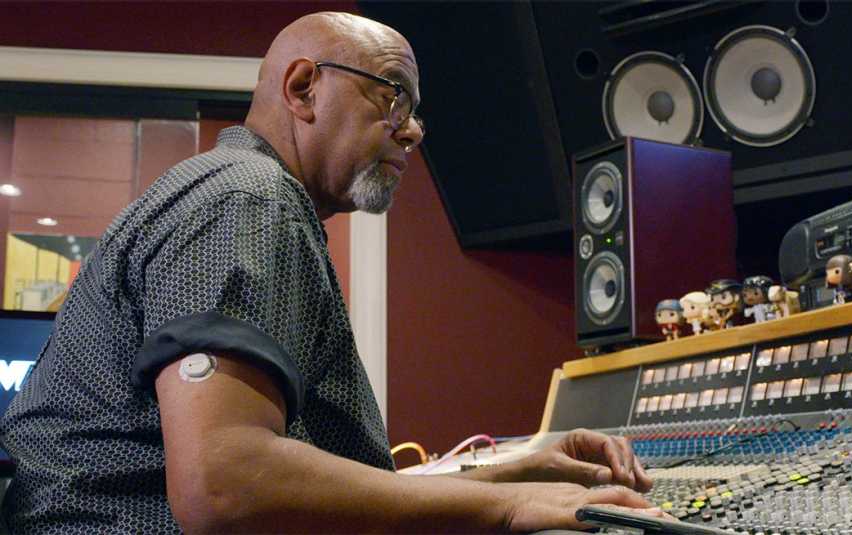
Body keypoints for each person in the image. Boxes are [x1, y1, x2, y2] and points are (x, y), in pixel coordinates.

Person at [0, 12, 657, 534]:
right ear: (303, 88)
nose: (415, 130)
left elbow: (314, 490)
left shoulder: (245, 195)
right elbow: (226, 483)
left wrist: (517, 473)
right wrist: (508, 510)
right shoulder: (248, 198)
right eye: (395, 97)